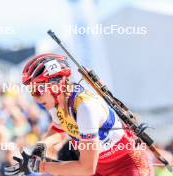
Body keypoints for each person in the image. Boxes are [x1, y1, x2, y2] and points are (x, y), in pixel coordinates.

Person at [21, 53, 153, 176]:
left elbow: (86, 168)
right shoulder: (57, 102)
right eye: (32, 92)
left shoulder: (86, 108)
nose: (36, 98)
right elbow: (59, 128)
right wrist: (40, 147)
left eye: (38, 90)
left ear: (57, 86)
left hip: (128, 165)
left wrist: (42, 167)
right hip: (100, 167)